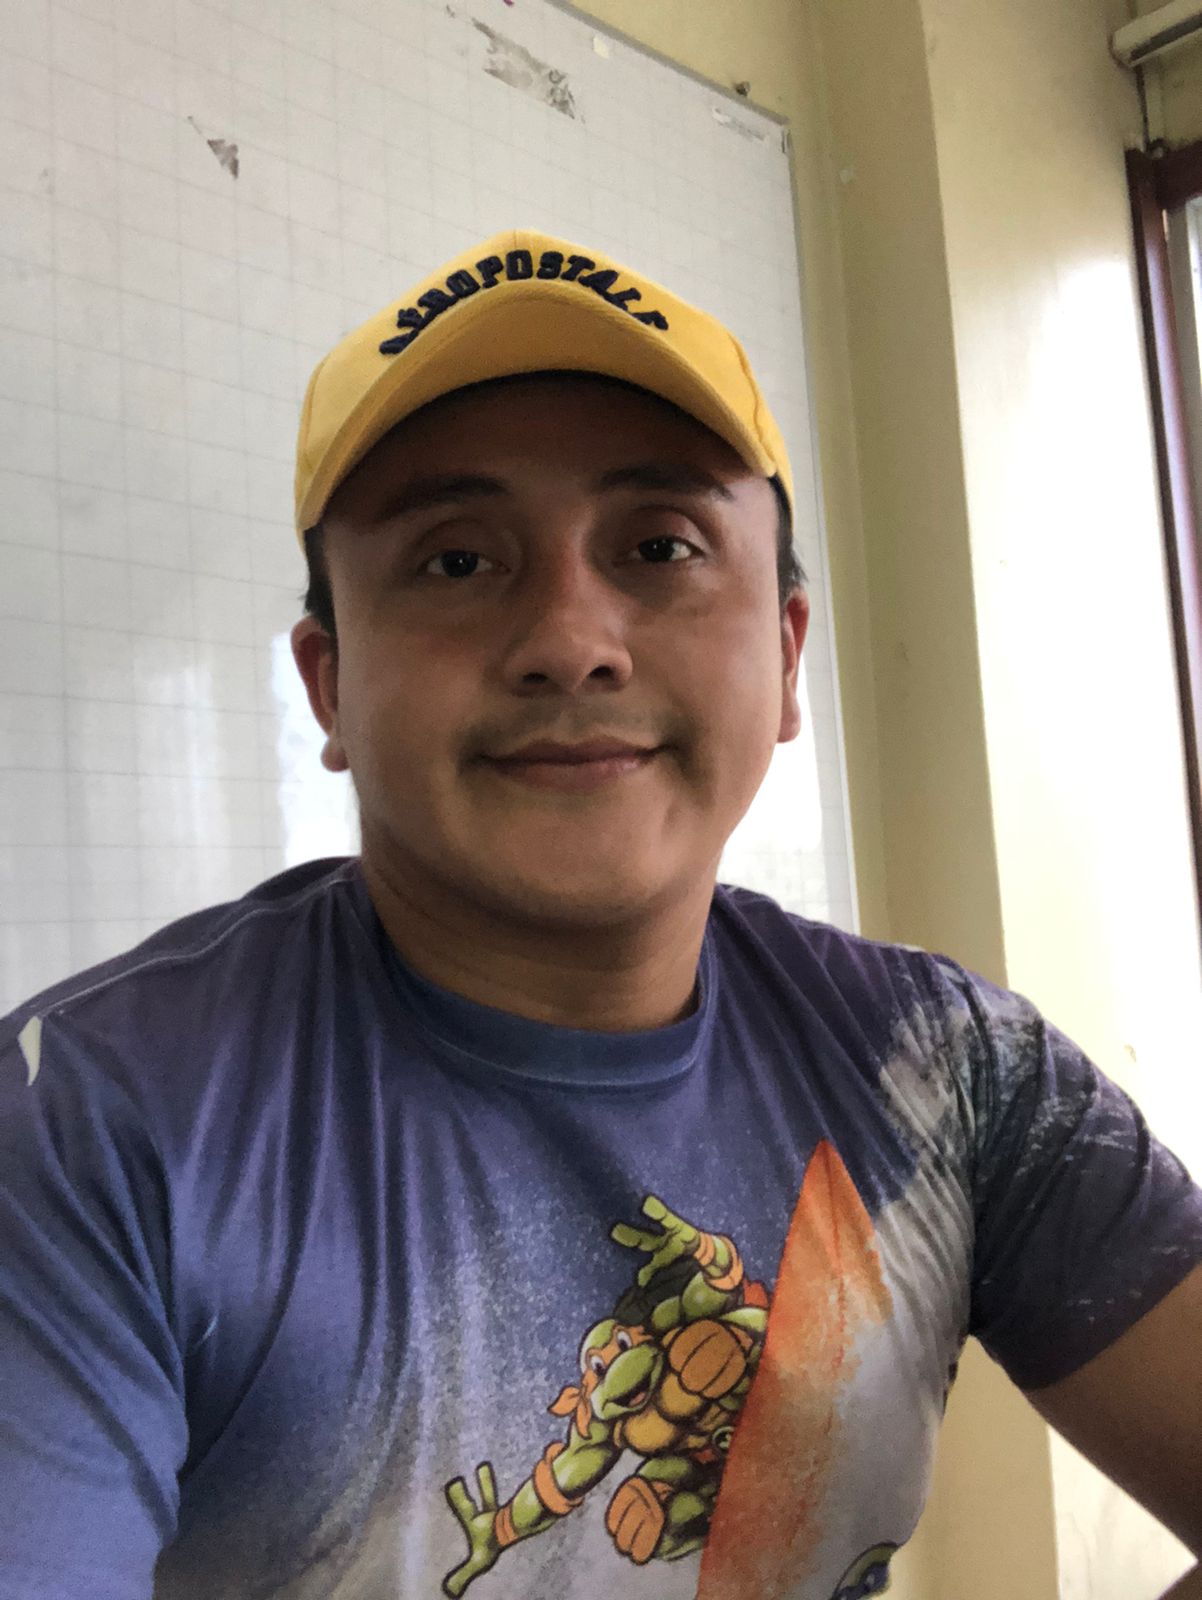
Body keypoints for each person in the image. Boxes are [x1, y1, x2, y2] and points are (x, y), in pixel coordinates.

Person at [1, 227, 1199, 1600]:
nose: (571, 642)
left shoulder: (952, 1073)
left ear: (786, 657)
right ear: (329, 686)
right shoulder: (93, 1127)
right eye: (457, 562)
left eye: (660, 545)